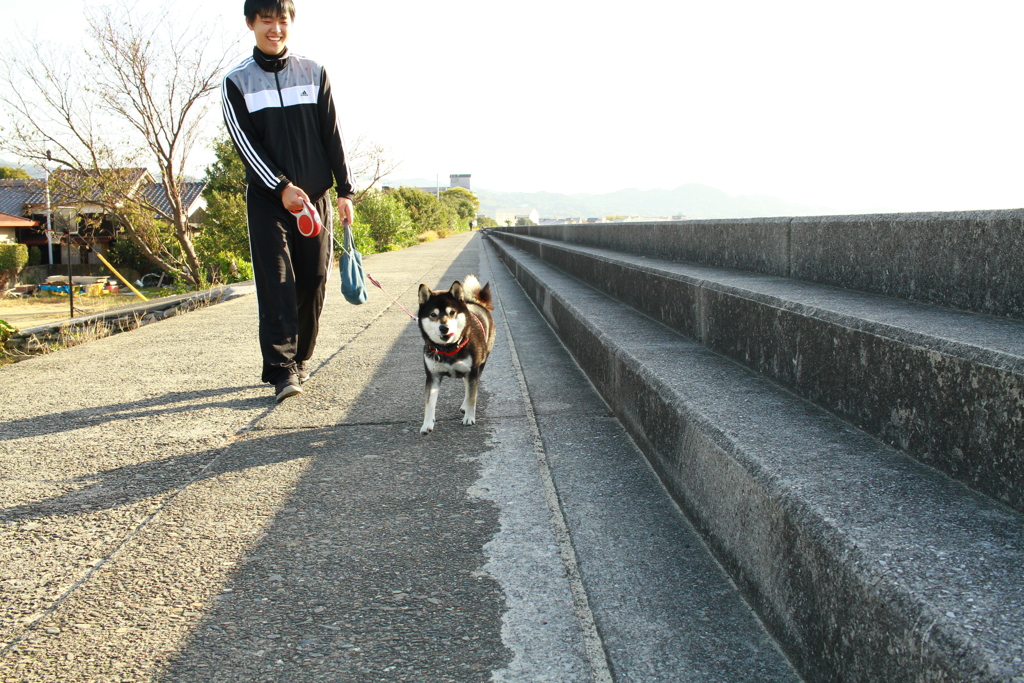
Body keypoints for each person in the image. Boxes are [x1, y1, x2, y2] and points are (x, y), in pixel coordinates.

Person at [222, 0, 355, 401]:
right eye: (267, 20)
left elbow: (332, 132)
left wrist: (345, 190)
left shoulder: (313, 72)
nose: (275, 28)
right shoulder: (237, 82)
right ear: (251, 23)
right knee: (277, 281)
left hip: (314, 199)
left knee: (314, 278)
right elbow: (246, 145)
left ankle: (300, 358)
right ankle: (281, 371)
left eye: (282, 19)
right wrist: (281, 187)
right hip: (269, 202)